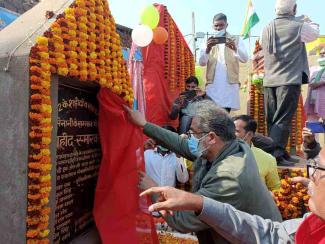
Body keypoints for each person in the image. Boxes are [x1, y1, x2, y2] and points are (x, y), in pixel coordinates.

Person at [124, 100, 282, 244]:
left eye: (192, 133)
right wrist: (144, 125)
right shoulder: (229, 144)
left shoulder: (228, 178)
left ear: (211, 137)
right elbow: (182, 145)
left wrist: (153, 188)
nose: (188, 137)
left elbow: (182, 220)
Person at [141, 147, 325, 244]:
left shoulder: (231, 175)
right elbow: (271, 233)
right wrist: (199, 203)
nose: (311, 175)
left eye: (319, 170)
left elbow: (182, 222)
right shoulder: (312, 224)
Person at [261, 0, 320, 165]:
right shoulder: (298, 26)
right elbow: (315, 33)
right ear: (294, 9)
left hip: (270, 80)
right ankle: (276, 155)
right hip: (288, 80)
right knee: (283, 119)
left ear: (275, 10)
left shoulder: (266, 27)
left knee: (273, 119)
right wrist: (308, 20)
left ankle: (278, 152)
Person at [199, 13, 248, 113]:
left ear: (226, 25)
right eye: (216, 25)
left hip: (228, 86)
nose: (218, 28)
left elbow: (245, 59)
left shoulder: (236, 40)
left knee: (225, 115)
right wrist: (208, 49)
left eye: (221, 25)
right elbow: (202, 63)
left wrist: (235, 49)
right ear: (212, 26)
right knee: (211, 115)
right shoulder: (207, 41)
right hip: (213, 86)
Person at [233, 115, 280, 190]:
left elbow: (275, 190)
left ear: (249, 135)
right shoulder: (219, 154)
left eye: (236, 131)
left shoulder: (267, 159)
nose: (230, 134)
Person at [305, 47, 325, 121]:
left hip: (323, 100)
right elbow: (310, 81)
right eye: (321, 53)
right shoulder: (315, 68)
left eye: (324, 53)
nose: (322, 55)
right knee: (312, 126)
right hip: (313, 100)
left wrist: (318, 83)